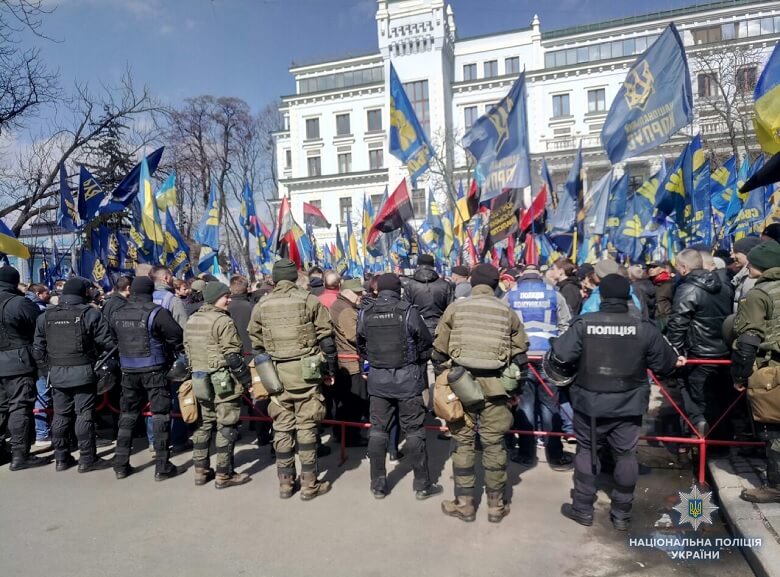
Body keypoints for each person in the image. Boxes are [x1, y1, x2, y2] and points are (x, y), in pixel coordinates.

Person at [550, 274, 681, 530]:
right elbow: (665, 364)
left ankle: (582, 509)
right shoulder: (643, 327)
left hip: (589, 403)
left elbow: (561, 355)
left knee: (587, 451)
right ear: (627, 297)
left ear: (601, 296)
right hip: (629, 405)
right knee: (626, 455)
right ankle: (621, 513)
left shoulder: (584, 324)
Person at [432, 264, 530, 523]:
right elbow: (521, 357)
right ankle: (496, 506)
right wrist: (516, 390)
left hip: (460, 386)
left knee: (462, 443)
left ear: (473, 283)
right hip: (496, 388)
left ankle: (464, 504)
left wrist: (443, 379)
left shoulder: (456, 308)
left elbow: (438, 351)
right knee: (494, 445)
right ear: (496, 284)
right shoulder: (506, 311)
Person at [248, 258, 338, 501]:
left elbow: (256, 343)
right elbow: (327, 339)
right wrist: (330, 370)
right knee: (307, 427)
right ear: (294, 277)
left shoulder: (262, 304)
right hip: (306, 373)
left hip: (276, 375)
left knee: (282, 427)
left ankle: (285, 483)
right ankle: (309, 483)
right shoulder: (309, 300)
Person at [357, 273, 441, 499]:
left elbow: (361, 345)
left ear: (378, 290)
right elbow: (426, 342)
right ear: (398, 289)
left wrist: (376, 361)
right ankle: (422, 485)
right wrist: (415, 361)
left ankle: (378, 484)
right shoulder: (408, 311)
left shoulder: (366, 312)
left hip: (378, 380)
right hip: (407, 380)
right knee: (414, 431)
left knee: (378, 431)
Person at [32, 278, 116, 472]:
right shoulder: (90, 314)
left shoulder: (46, 316)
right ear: (83, 293)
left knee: (61, 414)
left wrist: (47, 370)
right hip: (83, 371)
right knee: (84, 414)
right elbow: (109, 343)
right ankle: (87, 459)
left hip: (57, 373)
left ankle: (61, 458)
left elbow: (37, 349)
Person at [112, 277, 184, 480]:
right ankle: (162, 466)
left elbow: (113, 338)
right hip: (154, 369)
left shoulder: (118, 312)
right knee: (160, 415)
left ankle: (120, 464)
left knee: (127, 416)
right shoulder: (157, 312)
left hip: (128, 369)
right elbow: (176, 336)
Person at [504, 264, 573, 470]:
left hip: (522, 356)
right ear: (539, 277)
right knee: (550, 405)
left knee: (524, 405)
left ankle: (526, 454)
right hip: (548, 356)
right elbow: (566, 325)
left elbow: (504, 325)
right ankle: (555, 455)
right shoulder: (554, 294)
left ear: (522, 278)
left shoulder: (511, 295)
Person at [185, 282, 253, 488]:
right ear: (215, 298)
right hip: (222, 381)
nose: (229, 300)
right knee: (226, 424)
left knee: (204, 423)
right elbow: (232, 355)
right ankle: (224, 473)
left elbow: (187, 349)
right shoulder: (222, 321)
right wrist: (246, 381)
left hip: (199, 379)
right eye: (225, 297)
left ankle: (200, 470)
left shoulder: (192, 319)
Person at [731, 240, 780, 503]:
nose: (747, 267)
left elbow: (749, 338)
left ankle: (776, 486)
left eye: (751, 263)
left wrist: (740, 375)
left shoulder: (759, 294)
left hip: (773, 370)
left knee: (774, 429)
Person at [667, 248, 733, 437]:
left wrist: (675, 352)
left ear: (684, 267)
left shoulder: (687, 289)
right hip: (723, 351)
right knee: (720, 399)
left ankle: (709, 442)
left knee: (701, 400)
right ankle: (720, 440)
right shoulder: (725, 285)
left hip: (699, 353)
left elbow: (678, 324)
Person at [0, 266, 48, 469]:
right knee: (20, 406)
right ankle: (20, 455)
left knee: (1, 407)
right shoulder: (19, 303)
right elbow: (40, 327)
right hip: (17, 362)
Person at [330, 278, 368, 446]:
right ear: (346, 293)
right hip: (350, 362)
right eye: (357, 293)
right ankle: (351, 437)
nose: (361, 295)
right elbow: (354, 336)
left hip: (343, 360)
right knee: (353, 402)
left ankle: (341, 433)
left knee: (344, 402)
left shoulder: (339, 305)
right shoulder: (346, 310)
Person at [26, 284, 52, 447]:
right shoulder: (39, 311)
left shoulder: (24, 306)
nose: (49, 295)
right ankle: (42, 433)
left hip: (26, 358)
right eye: (46, 292)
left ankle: (40, 432)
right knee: (43, 395)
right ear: (38, 294)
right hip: (41, 358)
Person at [402, 254, 453, 336]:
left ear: (418, 265)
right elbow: (451, 310)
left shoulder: (410, 286)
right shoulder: (445, 285)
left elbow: (406, 311)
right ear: (433, 266)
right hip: (440, 328)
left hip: (418, 328)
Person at [731, 236, 762, 312]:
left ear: (748, 254)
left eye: (736, 252)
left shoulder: (752, 278)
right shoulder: (744, 275)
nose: (732, 256)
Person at [648, 261, 675, 331]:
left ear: (662, 269)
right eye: (649, 267)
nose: (651, 269)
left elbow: (675, 302)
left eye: (654, 267)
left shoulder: (668, 284)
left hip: (664, 318)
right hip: (651, 317)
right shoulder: (649, 282)